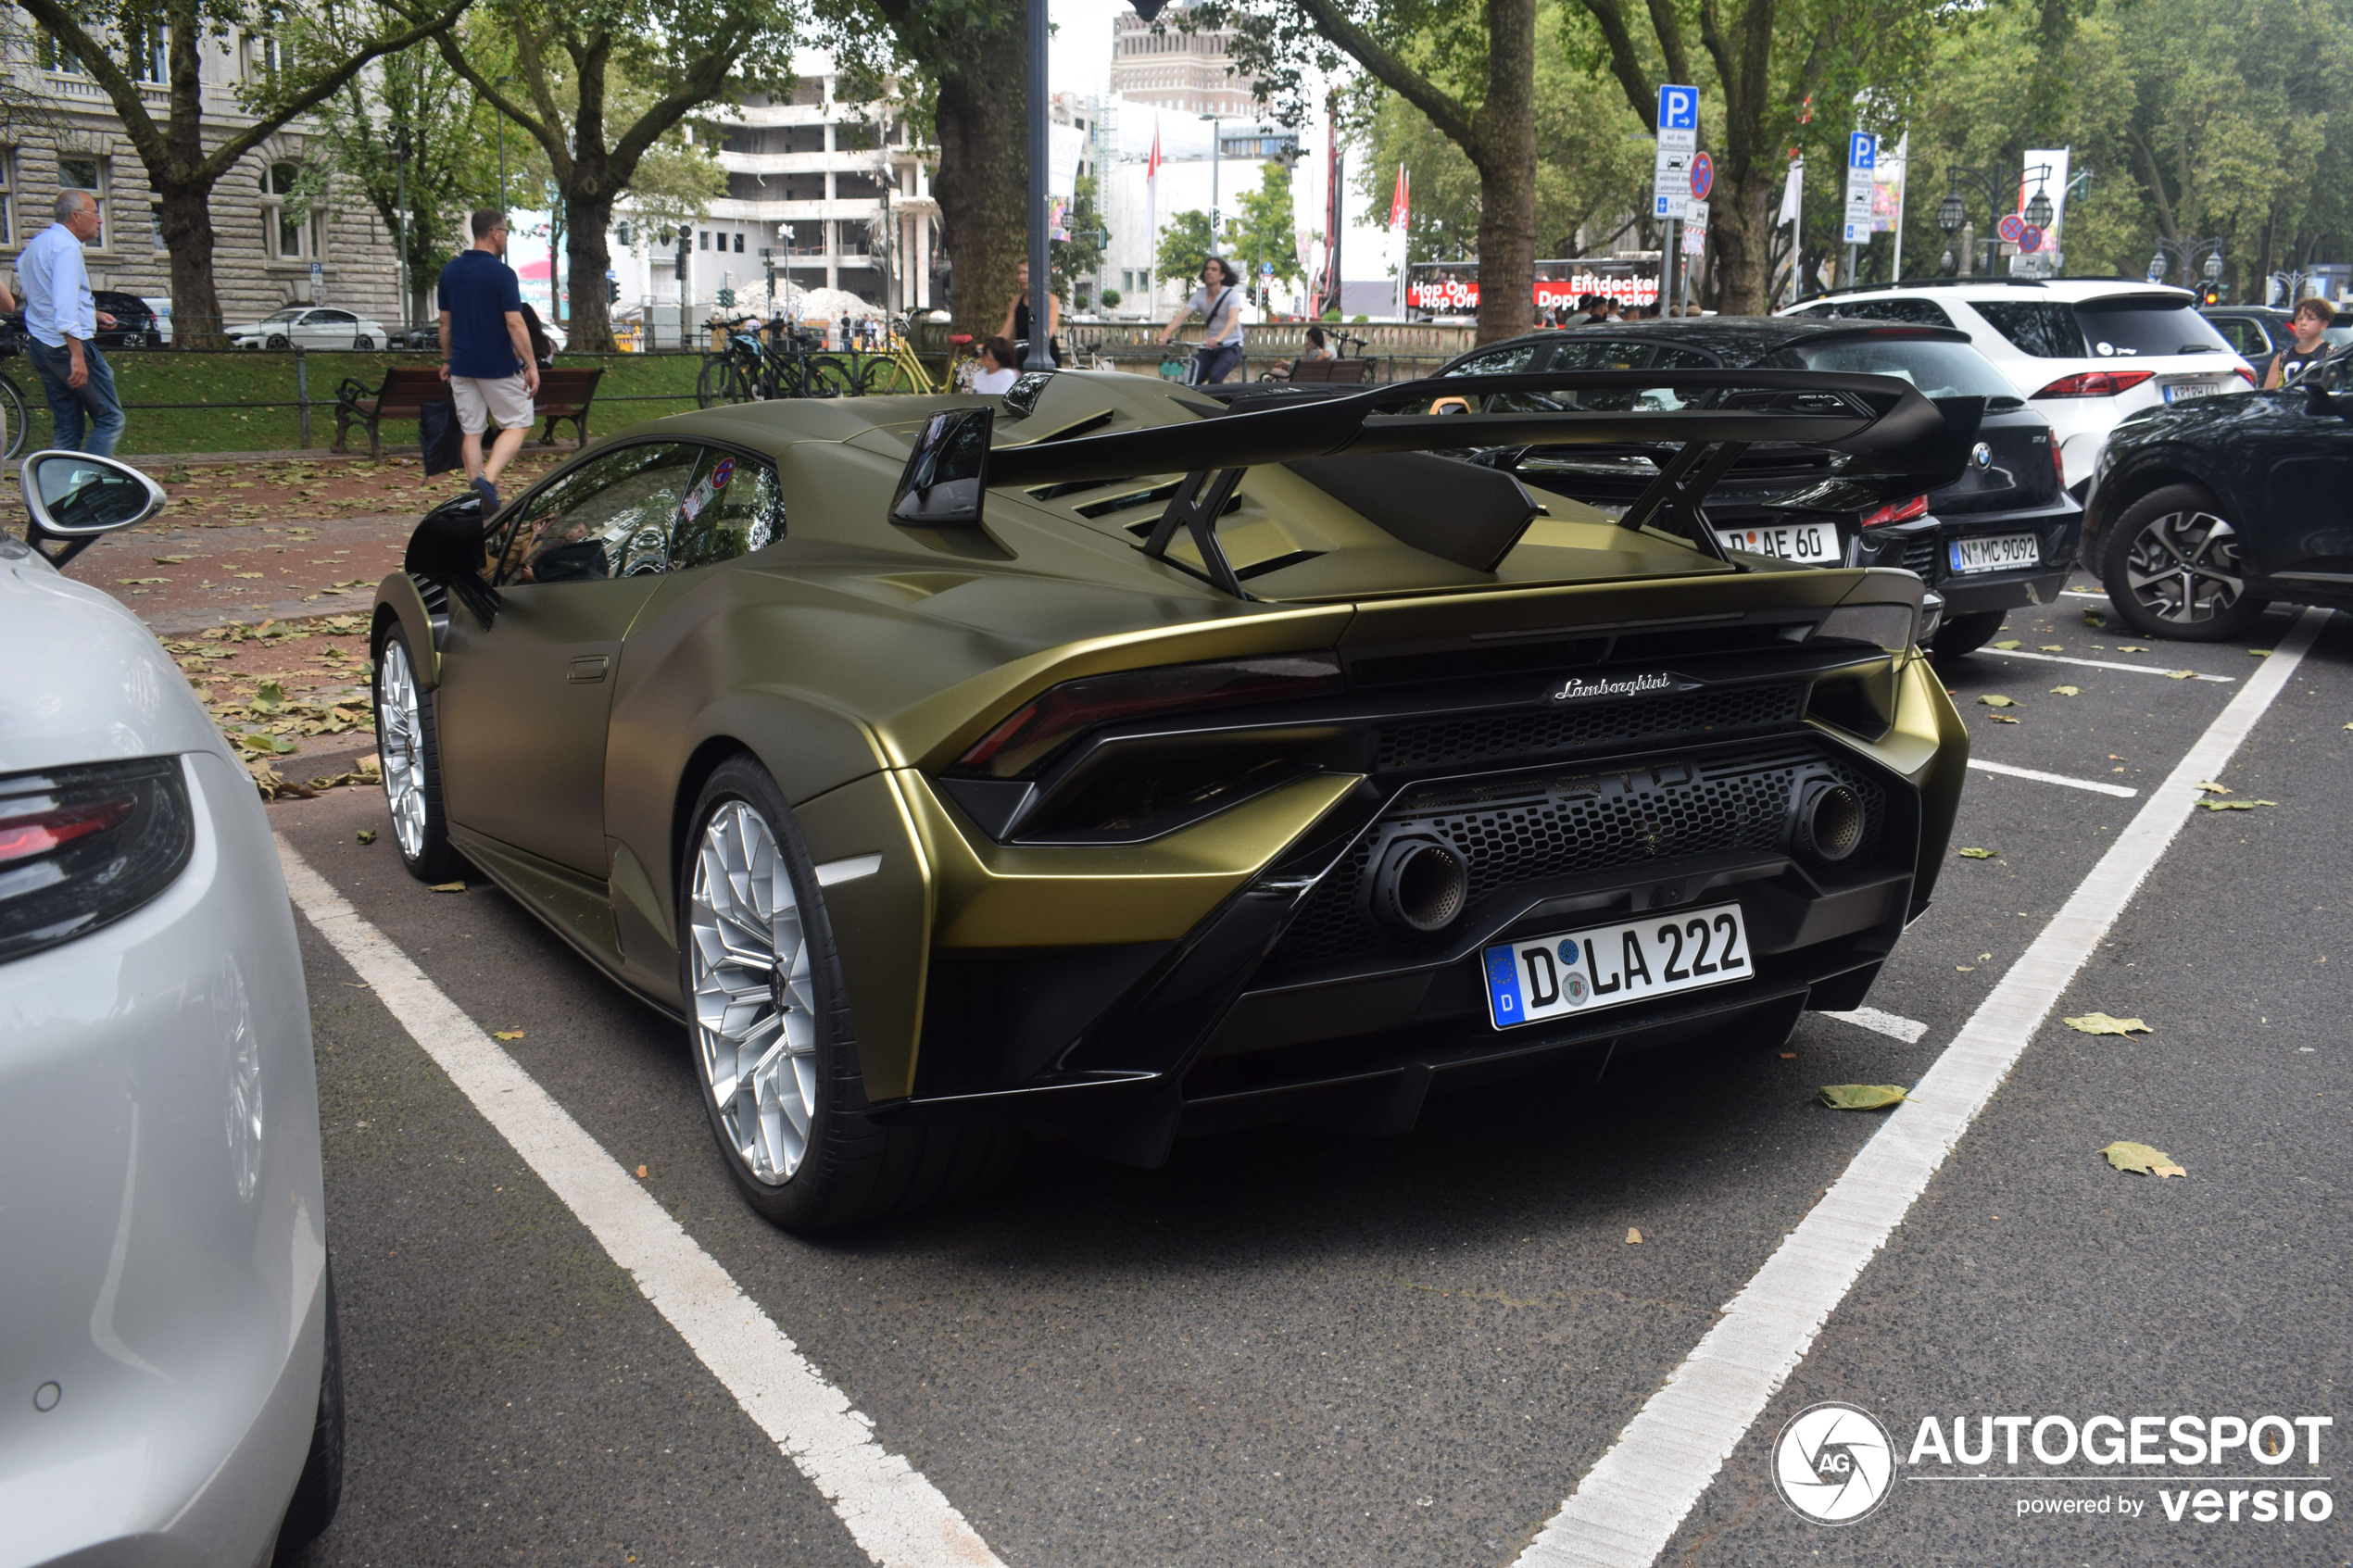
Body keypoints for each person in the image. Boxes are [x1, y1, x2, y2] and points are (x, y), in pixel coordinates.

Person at [436, 207, 541, 511]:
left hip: (462, 365)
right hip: (497, 365)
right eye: (506, 231)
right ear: (495, 233)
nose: (506, 237)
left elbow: (445, 322)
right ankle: (488, 480)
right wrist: (531, 365)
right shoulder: (502, 274)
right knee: (519, 422)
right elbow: (515, 323)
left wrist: (446, 359)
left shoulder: (450, 271)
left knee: (471, 431)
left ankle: (476, 500)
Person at [19, 191, 125, 457]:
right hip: (65, 346)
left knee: (67, 425)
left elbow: (43, 294)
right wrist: (77, 355)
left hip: (41, 345)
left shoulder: (37, 245)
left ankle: (58, 494)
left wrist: (92, 314)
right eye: (95, 213)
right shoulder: (67, 248)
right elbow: (64, 307)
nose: (100, 220)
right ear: (76, 216)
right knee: (110, 419)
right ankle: (91, 486)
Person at [1160, 257, 1247, 384]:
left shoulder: (1231, 294)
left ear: (1222, 275)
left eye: (1214, 269)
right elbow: (1181, 316)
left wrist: (1218, 339)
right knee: (1191, 377)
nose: (1209, 272)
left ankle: (1218, 404)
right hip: (1209, 348)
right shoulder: (1199, 296)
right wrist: (1166, 334)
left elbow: (1233, 319)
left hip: (1231, 346)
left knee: (1215, 376)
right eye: (1207, 269)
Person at [998, 259, 1062, 366]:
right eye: (1019, 273)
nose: (1021, 277)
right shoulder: (1016, 300)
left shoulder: (1050, 300)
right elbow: (1005, 333)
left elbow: (1051, 326)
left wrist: (1040, 341)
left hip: (1045, 356)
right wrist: (987, 345)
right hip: (1022, 356)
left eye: (1025, 273)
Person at [2263, 296, 2336, 388]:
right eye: (2299, 318)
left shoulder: (2332, 354)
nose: (2303, 323)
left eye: (2311, 318)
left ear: (2323, 325)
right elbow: (2268, 393)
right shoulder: (2282, 358)